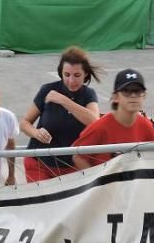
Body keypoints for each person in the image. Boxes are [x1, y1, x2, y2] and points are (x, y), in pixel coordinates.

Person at [20, 47, 101, 181]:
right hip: (40, 163)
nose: (71, 81)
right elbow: (24, 123)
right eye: (66, 74)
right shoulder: (47, 89)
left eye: (77, 75)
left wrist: (64, 101)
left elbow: (95, 123)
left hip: (72, 167)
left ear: (85, 74)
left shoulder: (88, 94)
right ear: (60, 73)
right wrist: (36, 133)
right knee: (43, 201)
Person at [72, 69, 154, 169]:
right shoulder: (101, 127)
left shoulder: (146, 126)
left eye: (138, 91)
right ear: (115, 97)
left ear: (144, 96)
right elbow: (77, 156)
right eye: (127, 91)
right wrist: (96, 180)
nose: (133, 96)